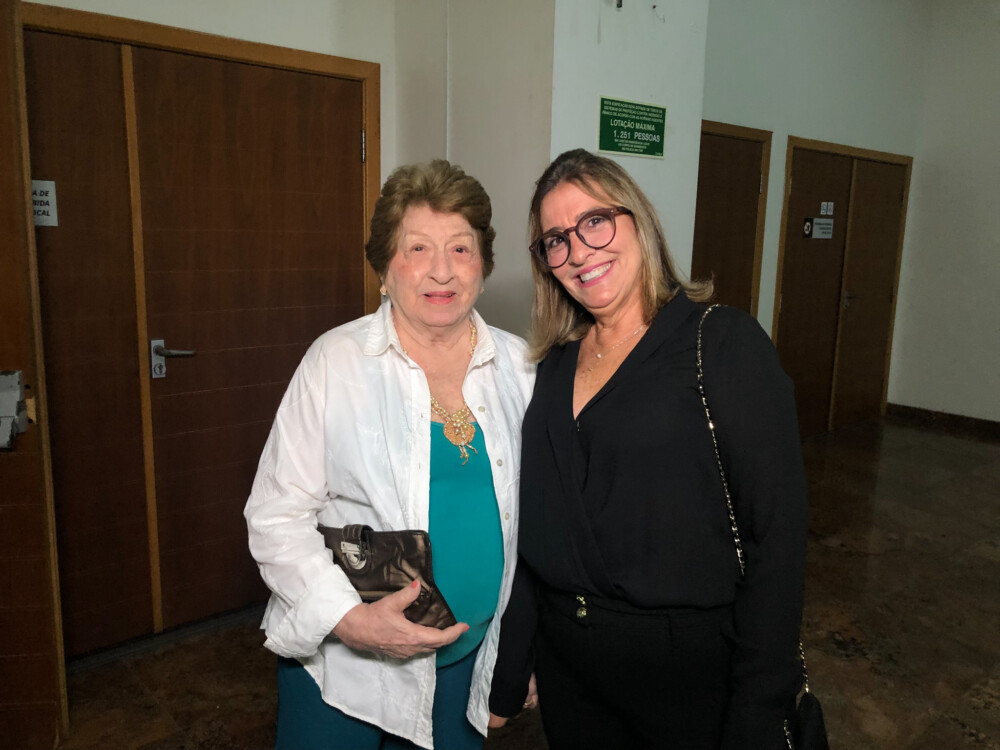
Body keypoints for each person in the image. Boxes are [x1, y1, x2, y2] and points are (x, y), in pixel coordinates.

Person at [487, 149, 808, 749]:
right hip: (571, 678)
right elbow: (540, 531)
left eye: (595, 221)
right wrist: (511, 669)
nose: (579, 252)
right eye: (556, 240)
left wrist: (761, 704)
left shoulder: (722, 344)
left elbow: (778, 539)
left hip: (688, 682)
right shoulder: (554, 365)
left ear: (639, 220)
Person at [245, 159, 534, 750]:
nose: (441, 270)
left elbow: (542, 526)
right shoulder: (336, 362)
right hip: (346, 675)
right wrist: (351, 622)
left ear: (483, 266)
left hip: (471, 663)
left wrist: (528, 651)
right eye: (418, 248)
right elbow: (275, 517)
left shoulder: (522, 366)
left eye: (460, 248)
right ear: (384, 269)